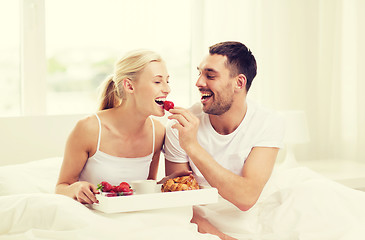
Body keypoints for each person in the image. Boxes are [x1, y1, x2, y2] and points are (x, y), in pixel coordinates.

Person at [163, 41, 285, 239]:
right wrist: (221, 237)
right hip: (199, 222)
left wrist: (192, 146)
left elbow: (246, 198)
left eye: (210, 75)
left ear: (239, 82)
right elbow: (179, 203)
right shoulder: (179, 126)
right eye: (199, 73)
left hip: (252, 216)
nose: (199, 83)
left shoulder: (268, 122)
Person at [56, 49, 171, 204]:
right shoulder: (89, 129)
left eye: (167, 81)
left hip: (133, 217)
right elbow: (61, 188)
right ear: (129, 86)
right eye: (158, 82)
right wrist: (76, 189)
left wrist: (170, 183)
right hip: (92, 216)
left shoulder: (157, 132)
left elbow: (145, 191)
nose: (167, 89)